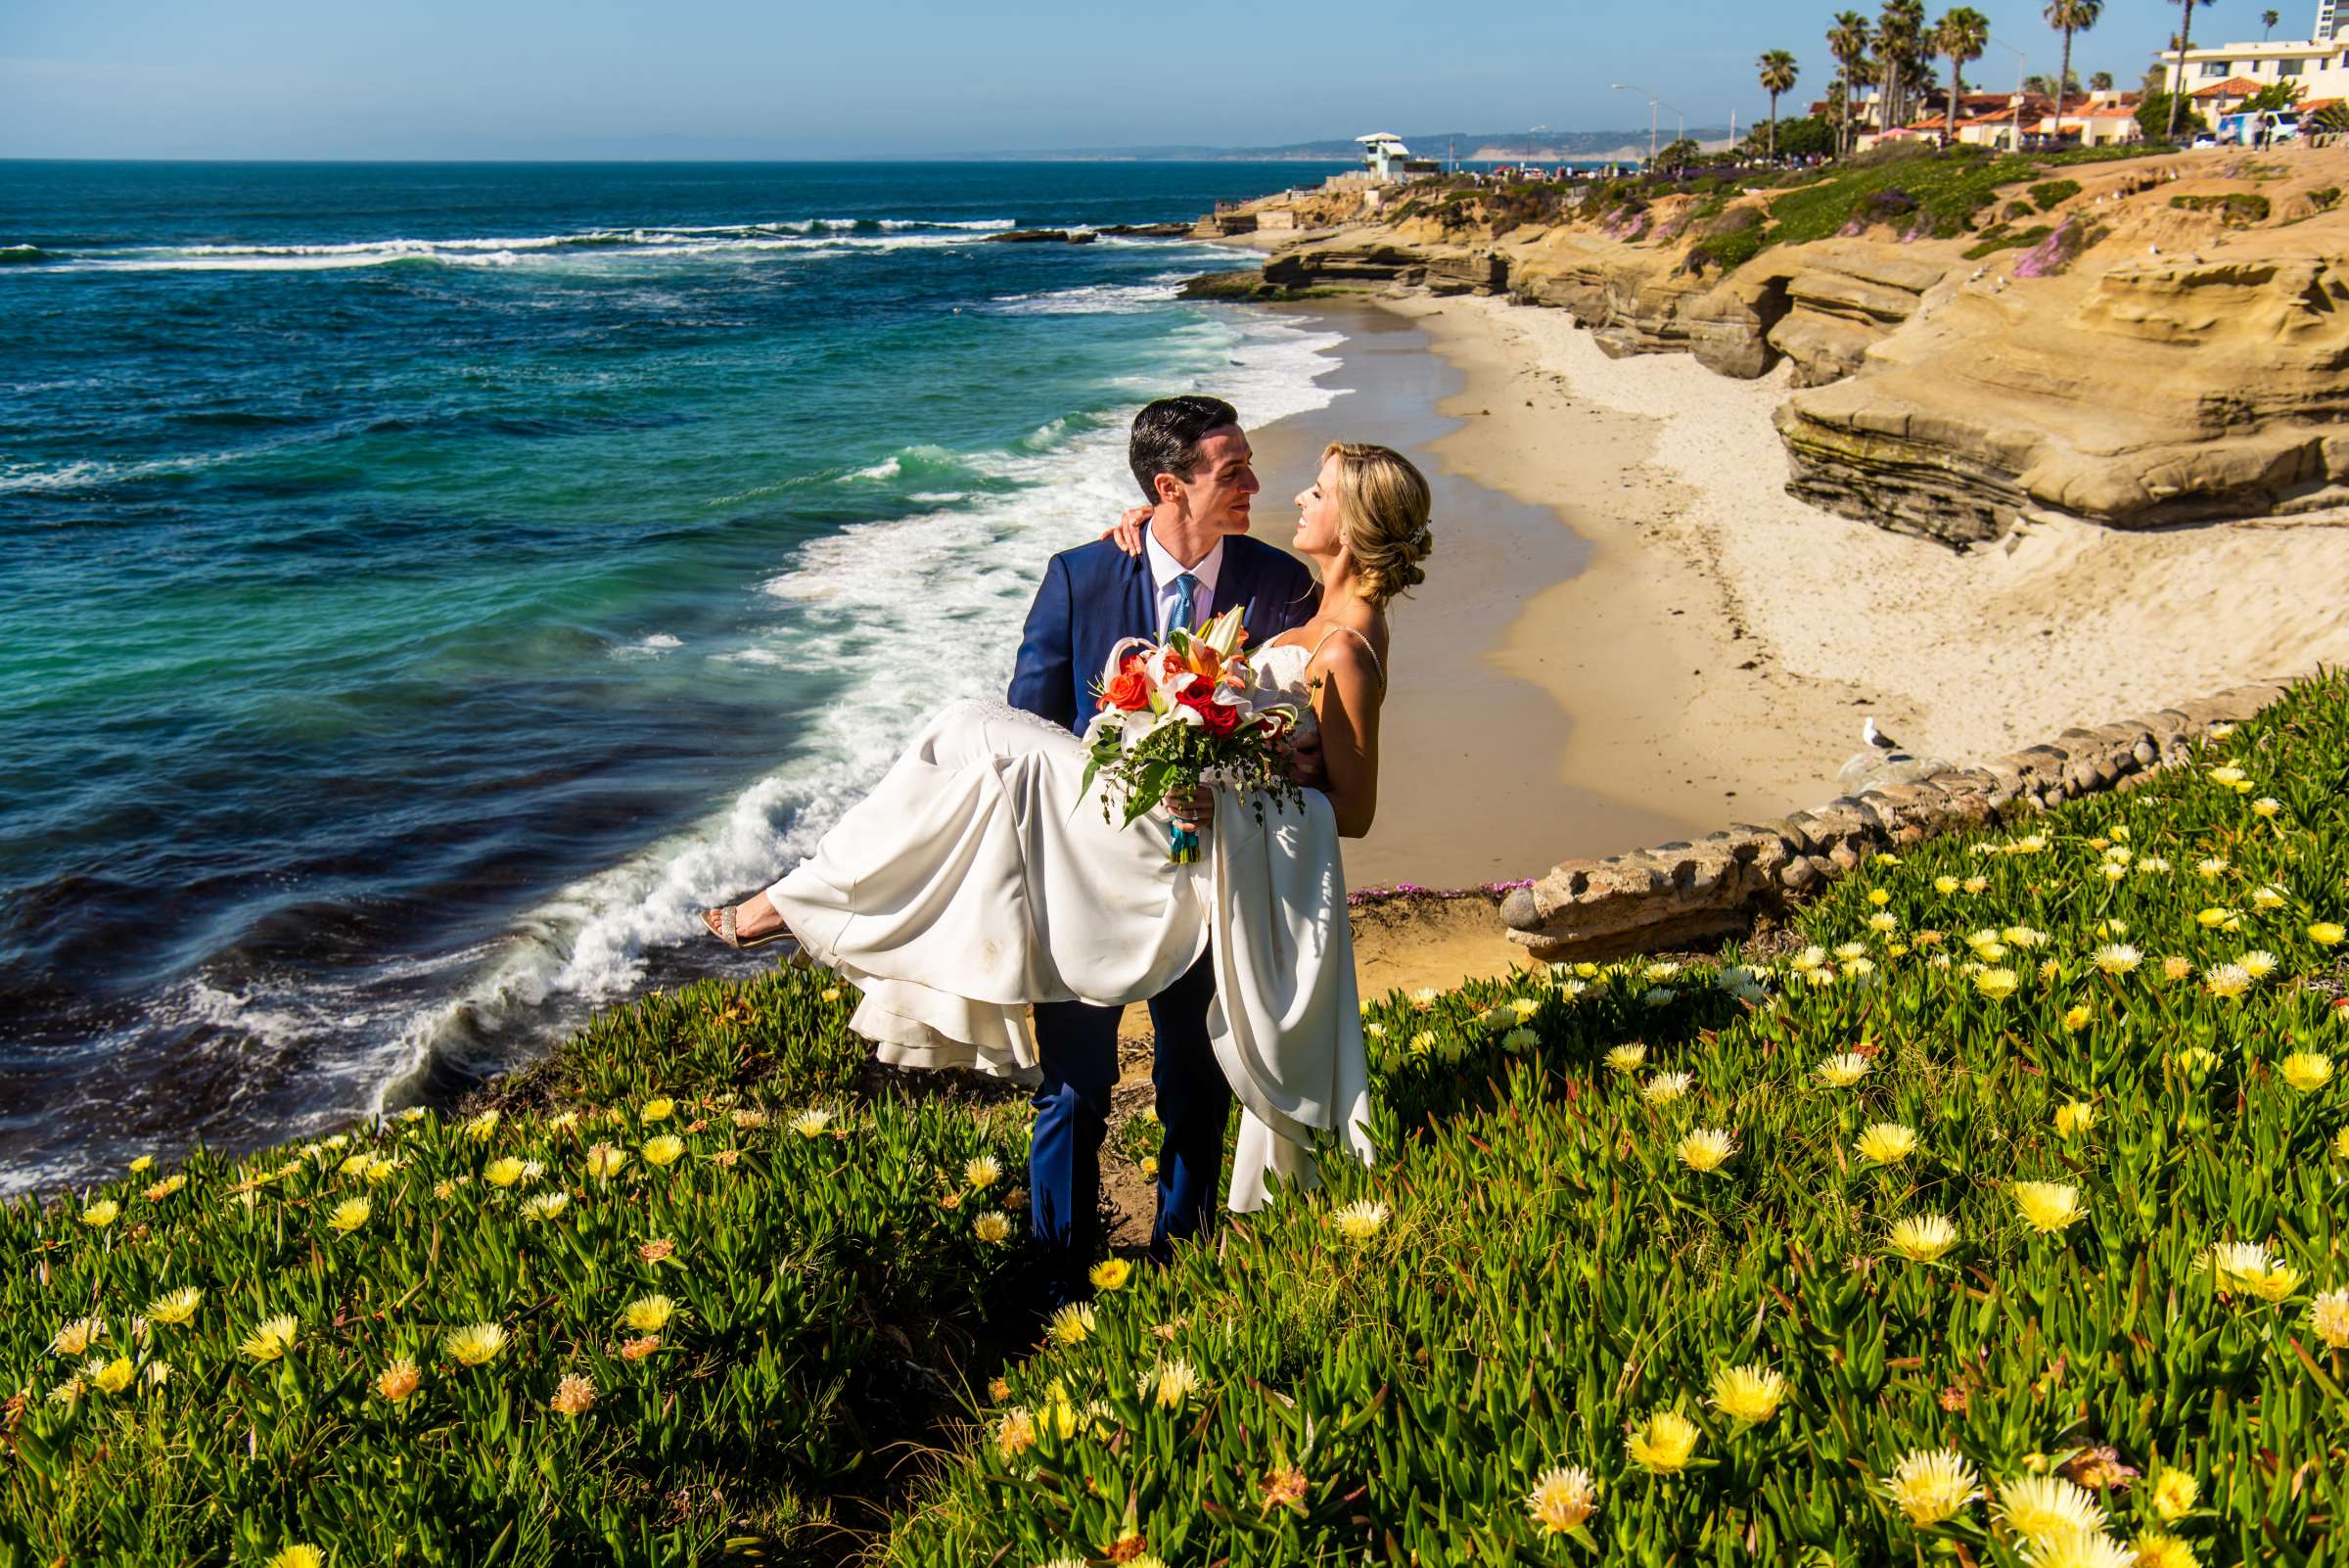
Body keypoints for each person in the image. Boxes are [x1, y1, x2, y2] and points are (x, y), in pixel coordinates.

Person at [702, 409, 1432, 1302]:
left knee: (1190, 1078)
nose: (1259, 486)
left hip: (1210, 878)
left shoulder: (1286, 587)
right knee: (1073, 1085)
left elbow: (1326, 756)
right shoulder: (1085, 575)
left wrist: (1238, 764)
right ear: (1168, 490)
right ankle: (1056, 1269)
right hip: (1083, 866)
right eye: (1233, 470)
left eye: (1264, 473)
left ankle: (1183, 1257)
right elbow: (1038, 709)